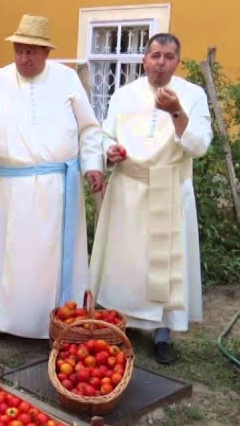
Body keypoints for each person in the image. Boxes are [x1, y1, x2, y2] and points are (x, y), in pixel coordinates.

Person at [0, 14, 105, 340]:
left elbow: (89, 129)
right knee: (6, 256)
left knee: (48, 262)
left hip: (56, 189)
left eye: (32, 51)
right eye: (20, 50)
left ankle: (54, 321)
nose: (24, 58)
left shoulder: (67, 80)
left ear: (46, 52)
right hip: (9, 188)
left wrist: (93, 164)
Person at [89, 32, 213, 365]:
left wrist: (176, 112)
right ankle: (121, 325)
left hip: (168, 188)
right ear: (144, 58)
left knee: (164, 265)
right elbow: (105, 133)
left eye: (168, 56)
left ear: (177, 61)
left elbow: (200, 145)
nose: (160, 62)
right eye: (155, 55)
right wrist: (108, 150)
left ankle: (163, 334)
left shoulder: (193, 95)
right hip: (128, 186)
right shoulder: (125, 94)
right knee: (126, 262)